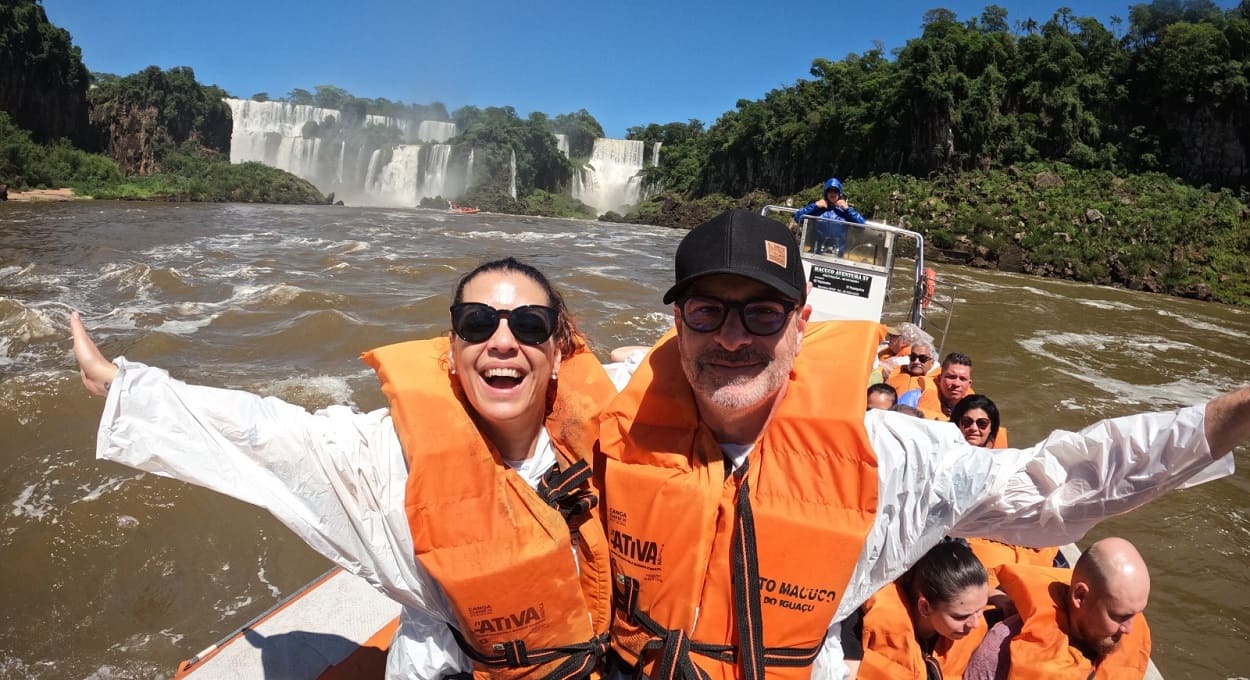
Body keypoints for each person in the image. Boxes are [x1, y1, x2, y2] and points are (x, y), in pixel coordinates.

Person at [596, 208, 1245, 680]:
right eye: (707, 311)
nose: (732, 338)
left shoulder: (894, 463)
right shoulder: (606, 425)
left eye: (761, 313)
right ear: (676, 323)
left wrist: (1236, 411)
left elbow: (1065, 481)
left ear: (802, 324)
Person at [71, 257, 623, 679]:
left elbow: (686, 363)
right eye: (476, 323)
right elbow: (268, 433)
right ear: (452, 350)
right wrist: (123, 387)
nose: (502, 342)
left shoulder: (617, 428)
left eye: (529, 325)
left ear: (558, 350)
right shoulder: (381, 459)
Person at [964, 537, 1153, 679]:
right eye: (1119, 616)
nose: (1129, 629)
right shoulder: (1001, 649)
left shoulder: (1118, 636)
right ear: (1080, 597)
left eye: (1136, 613)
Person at [852, 540, 993, 679]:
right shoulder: (859, 625)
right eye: (960, 617)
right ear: (925, 607)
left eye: (980, 610)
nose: (975, 624)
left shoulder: (979, 634)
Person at [788, 177, 866, 256]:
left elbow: (862, 225)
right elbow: (797, 217)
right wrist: (814, 205)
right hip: (815, 253)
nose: (832, 194)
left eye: (835, 191)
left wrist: (847, 209)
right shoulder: (817, 208)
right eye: (830, 191)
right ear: (826, 193)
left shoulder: (846, 211)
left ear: (840, 193)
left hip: (838, 256)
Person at [917, 352, 974, 420]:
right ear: (939, 379)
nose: (956, 384)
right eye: (951, 377)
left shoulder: (976, 409)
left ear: (969, 384)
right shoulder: (914, 398)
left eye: (962, 379)